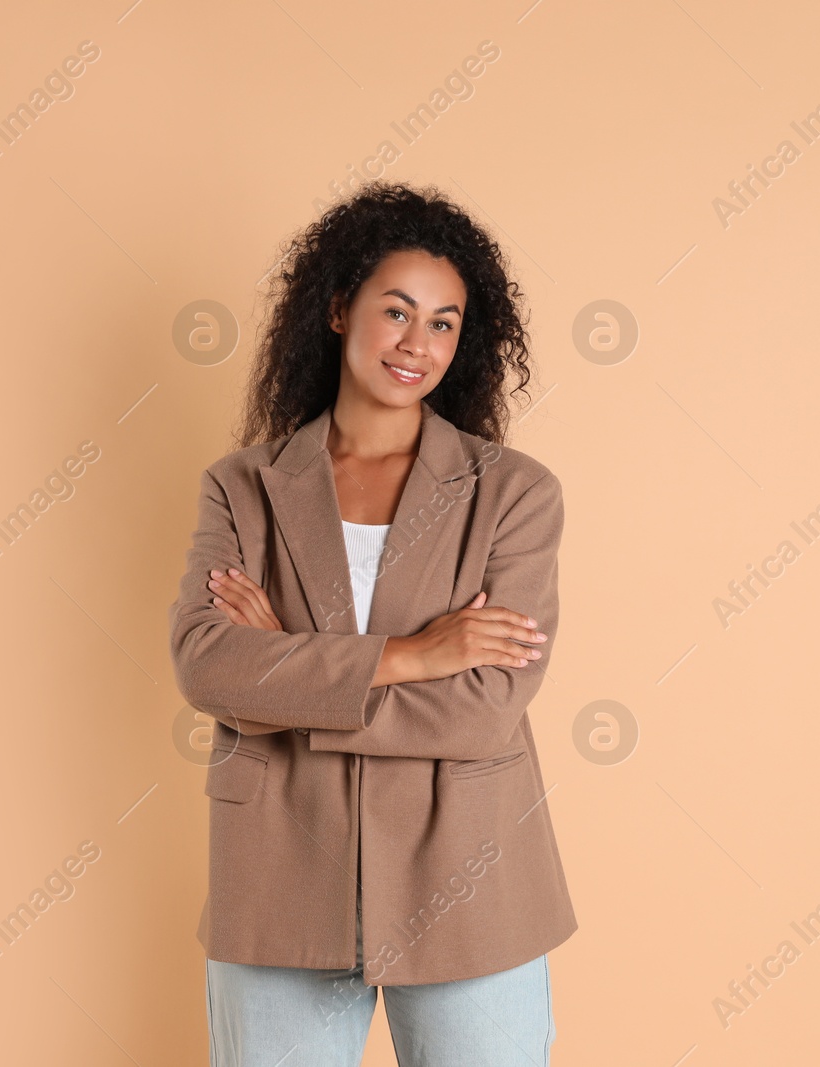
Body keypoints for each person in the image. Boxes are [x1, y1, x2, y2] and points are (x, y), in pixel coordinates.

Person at [168, 181, 575, 1066]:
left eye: (443, 323)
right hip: (279, 876)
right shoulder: (241, 486)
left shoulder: (515, 494)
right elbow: (207, 667)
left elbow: (481, 709)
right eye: (396, 311)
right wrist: (414, 654)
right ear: (339, 309)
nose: (416, 344)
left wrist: (283, 674)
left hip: (470, 881)